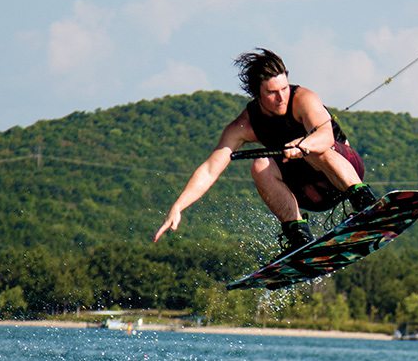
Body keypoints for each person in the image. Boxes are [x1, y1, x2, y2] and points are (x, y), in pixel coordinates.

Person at [153, 49, 378, 255]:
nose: (281, 97)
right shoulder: (245, 125)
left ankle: (365, 202)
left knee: (315, 147)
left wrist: (302, 145)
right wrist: (178, 206)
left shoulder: (303, 99)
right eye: (272, 92)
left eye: (284, 88)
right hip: (309, 193)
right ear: (257, 93)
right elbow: (210, 169)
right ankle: (298, 236)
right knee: (261, 164)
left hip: (343, 175)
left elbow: (325, 136)